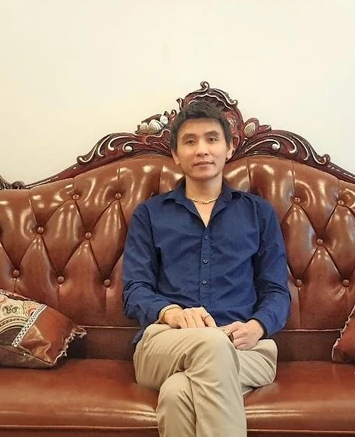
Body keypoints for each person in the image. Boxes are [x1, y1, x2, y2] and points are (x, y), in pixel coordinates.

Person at [122, 100, 290, 437]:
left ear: (229, 148)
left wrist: (257, 326)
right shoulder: (150, 214)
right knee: (211, 346)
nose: (202, 150)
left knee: (177, 393)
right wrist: (171, 313)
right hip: (166, 343)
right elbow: (134, 290)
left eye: (212, 139)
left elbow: (276, 291)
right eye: (190, 141)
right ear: (175, 154)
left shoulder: (258, 213)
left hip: (245, 347)